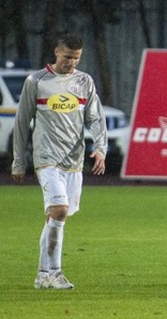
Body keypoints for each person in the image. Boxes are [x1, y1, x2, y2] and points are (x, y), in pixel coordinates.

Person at [12, 33, 108, 290]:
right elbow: (22, 122)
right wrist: (18, 161)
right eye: (67, 57)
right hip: (46, 158)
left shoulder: (84, 81)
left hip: (74, 161)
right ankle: (55, 272)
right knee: (59, 210)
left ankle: (42, 274)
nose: (72, 63)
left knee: (56, 216)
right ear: (56, 52)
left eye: (76, 59)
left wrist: (100, 149)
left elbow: (96, 119)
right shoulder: (37, 81)